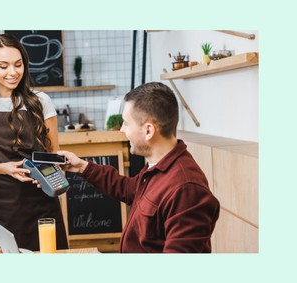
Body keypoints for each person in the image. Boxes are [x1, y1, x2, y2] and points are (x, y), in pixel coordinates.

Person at [58, 82, 220, 253]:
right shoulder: (158, 166)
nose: (121, 130)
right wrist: (82, 167)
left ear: (148, 131)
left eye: (126, 123)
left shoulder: (187, 190)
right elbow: (129, 188)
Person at [0, 33, 68, 251]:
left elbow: (53, 155)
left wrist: (56, 174)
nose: (13, 72)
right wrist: (4, 168)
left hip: (41, 203)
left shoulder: (41, 101)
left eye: (18, 65)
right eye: (3, 66)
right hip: (1, 206)